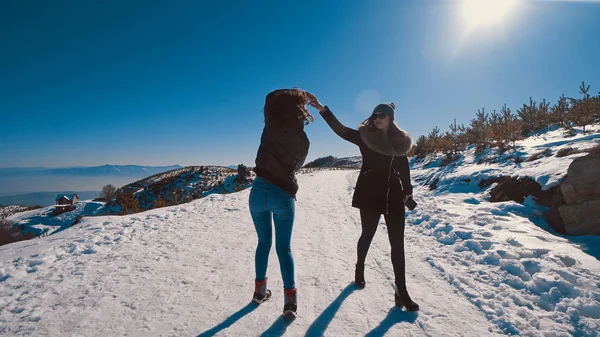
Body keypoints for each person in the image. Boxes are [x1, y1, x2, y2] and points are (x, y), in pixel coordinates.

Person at [307, 94, 419, 311]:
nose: (377, 119)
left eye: (382, 115)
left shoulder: (400, 142)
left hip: (393, 195)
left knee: (398, 245)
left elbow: (403, 169)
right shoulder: (365, 136)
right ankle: (359, 268)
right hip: (370, 194)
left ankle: (401, 290)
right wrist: (322, 109)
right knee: (367, 235)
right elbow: (340, 130)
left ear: (390, 119)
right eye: (375, 115)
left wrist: (408, 192)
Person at [249, 88, 314, 318]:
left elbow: (272, 98)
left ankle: (259, 292)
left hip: (257, 192)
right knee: (284, 248)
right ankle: (290, 302)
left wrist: (301, 95)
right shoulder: (302, 139)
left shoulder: (269, 126)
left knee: (263, 243)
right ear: (299, 111)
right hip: (281, 193)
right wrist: (309, 100)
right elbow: (296, 167)